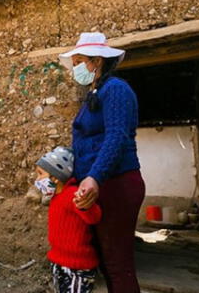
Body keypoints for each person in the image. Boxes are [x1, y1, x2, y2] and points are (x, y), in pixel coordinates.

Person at [59, 33, 145, 293]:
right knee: (107, 263)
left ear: (96, 61)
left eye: (78, 61)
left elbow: (116, 137)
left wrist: (94, 176)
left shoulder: (115, 89)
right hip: (100, 185)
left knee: (118, 265)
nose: (75, 68)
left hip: (115, 183)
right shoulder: (96, 93)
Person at [34, 147, 102, 293]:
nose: (37, 179)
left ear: (55, 178)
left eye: (40, 174)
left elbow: (94, 217)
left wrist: (85, 205)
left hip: (77, 267)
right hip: (59, 262)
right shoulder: (56, 197)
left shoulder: (72, 194)